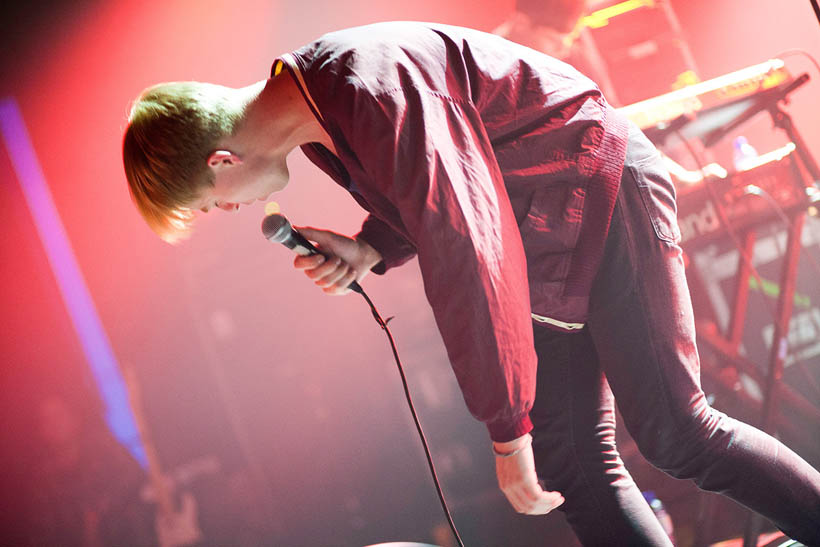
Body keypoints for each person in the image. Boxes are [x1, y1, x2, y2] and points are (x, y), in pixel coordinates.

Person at [122, 22, 820, 545]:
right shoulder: (319, 107)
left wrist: (506, 428)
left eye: (212, 201)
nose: (227, 210)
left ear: (221, 160)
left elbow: (467, 245)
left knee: (675, 430)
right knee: (574, 463)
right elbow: (439, 190)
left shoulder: (365, 88)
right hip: (545, 231)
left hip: (598, 190)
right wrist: (369, 245)